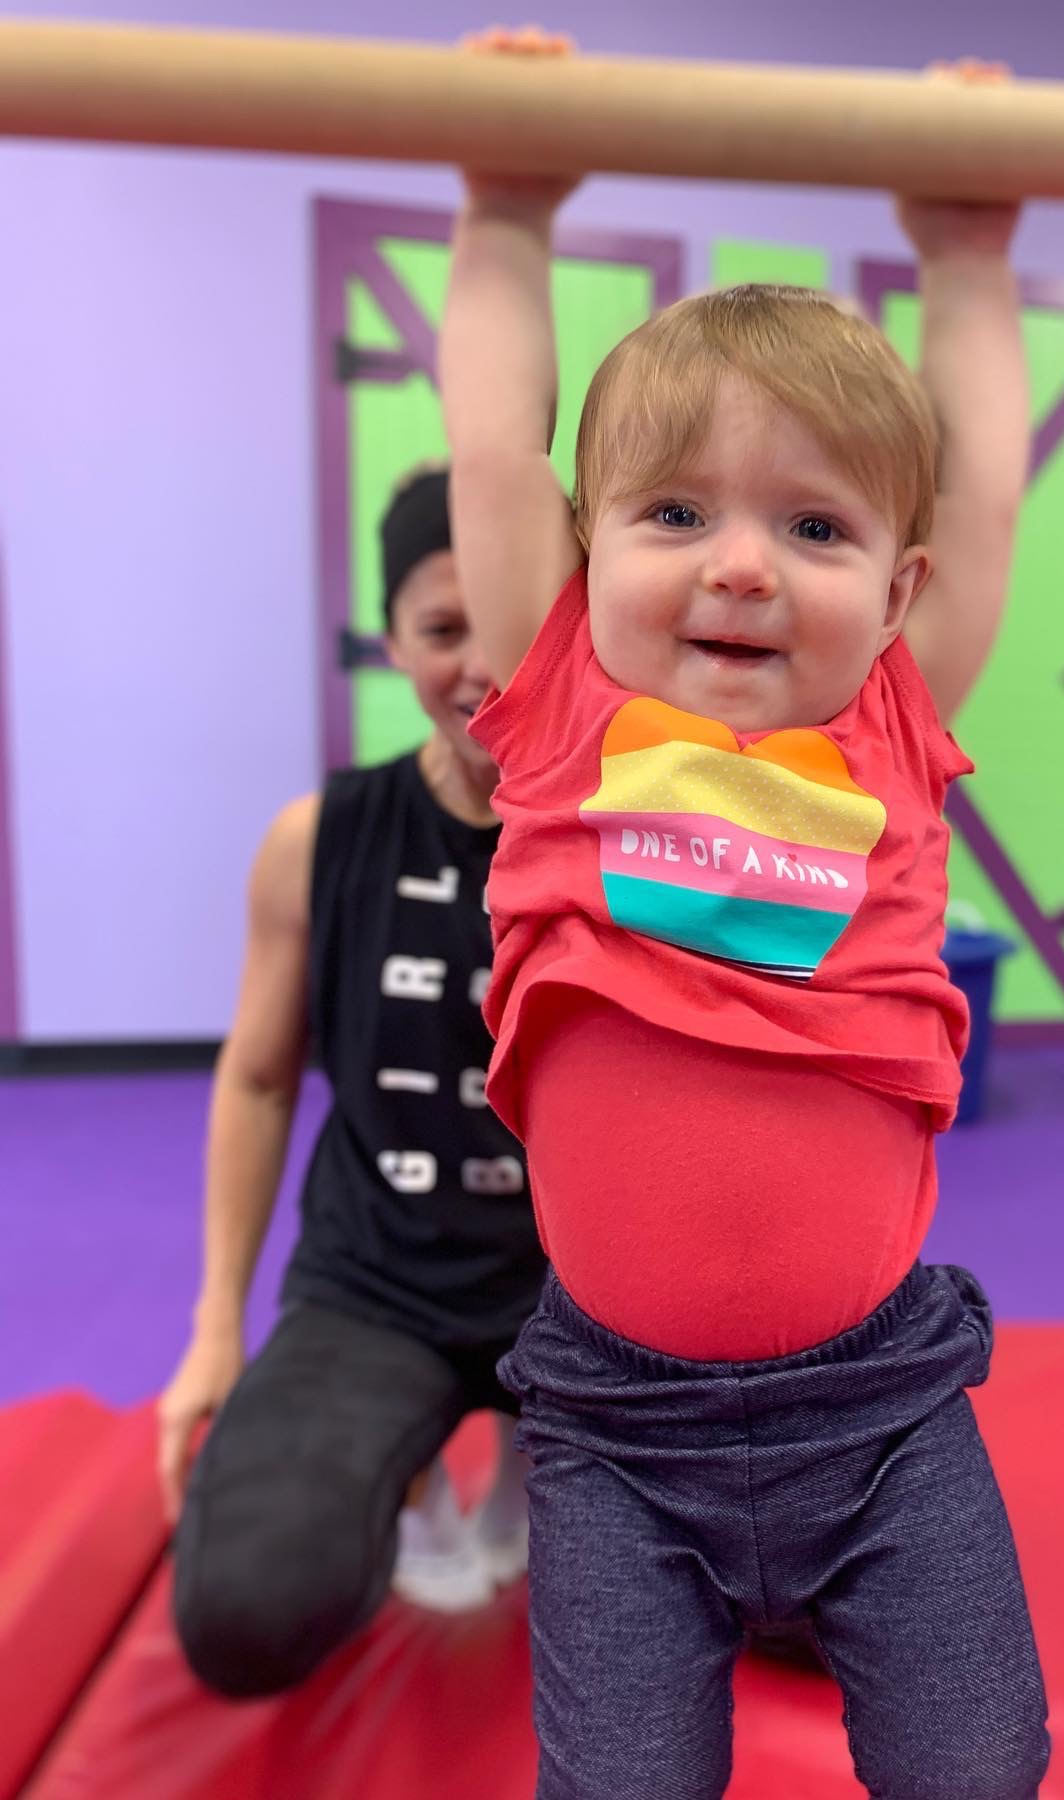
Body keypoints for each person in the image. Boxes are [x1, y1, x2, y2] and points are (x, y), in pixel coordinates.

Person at [441, 28, 1048, 1798]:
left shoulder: (886, 734)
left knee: (978, 1766)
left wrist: (966, 257)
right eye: (679, 511)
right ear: (585, 543)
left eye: (813, 526)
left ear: (896, 590)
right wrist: (502, 210)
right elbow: (488, 450)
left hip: (882, 1410)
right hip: (619, 1433)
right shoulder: (564, 718)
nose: (737, 564)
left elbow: (989, 490)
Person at [158, 466, 546, 1697]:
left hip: (589, 1306)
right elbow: (263, 1080)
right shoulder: (318, 839)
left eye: (513, 622)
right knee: (248, 1611)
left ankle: (549, 1461)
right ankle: (413, 1478)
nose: (482, 664)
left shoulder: (633, 834)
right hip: (379, 1284)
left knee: (795, 1594)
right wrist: (216, 1327)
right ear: (392, 642)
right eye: (442, 629)